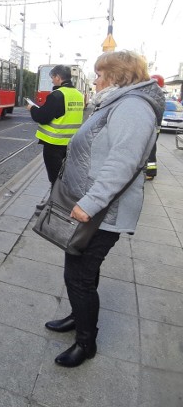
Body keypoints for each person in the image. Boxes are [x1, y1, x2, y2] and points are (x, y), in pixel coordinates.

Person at [44, 51, 164, 368]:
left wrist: (90, 203)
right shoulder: (116, 103)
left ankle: (86, 343)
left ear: (115, 76)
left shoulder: (133, 108)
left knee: (79, 276)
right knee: (83, 272)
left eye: (99, 74)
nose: (95, 80)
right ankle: (77, 316)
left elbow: (123, 163)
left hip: (102, 212)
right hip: (93, 205)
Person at [27, 65, 84, 209]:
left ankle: (54, 206)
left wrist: (32, 108)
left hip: (54, 143)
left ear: (58, 77)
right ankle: (54, 203)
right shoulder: (78, 94)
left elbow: (43, 117)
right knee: (63, 176)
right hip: (70, 143)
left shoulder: (57, 95)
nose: (52, 81)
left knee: (55, 178)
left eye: (52, 78)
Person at [145, 74, 165, 180]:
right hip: (156, 127)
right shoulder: (160, 95)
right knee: (151, 149)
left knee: (150, 150)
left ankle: (150, 172)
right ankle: (150, 171)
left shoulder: (153, 95)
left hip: (152, 127)